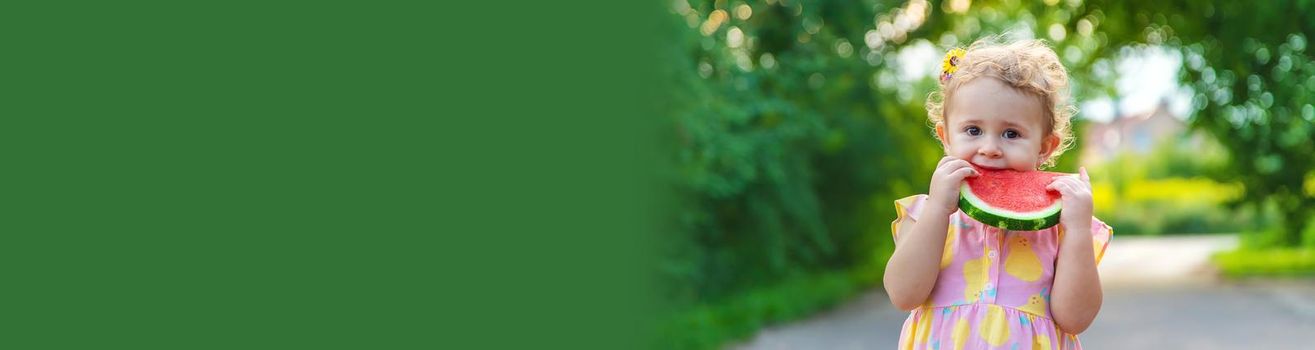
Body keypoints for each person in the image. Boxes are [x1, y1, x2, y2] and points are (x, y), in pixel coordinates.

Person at [882, 37, 1113, 350]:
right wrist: (938, 210)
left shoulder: (1060, 228)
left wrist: (1078, 231)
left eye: (1011, 134)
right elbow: (903, 294)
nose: (989, 149)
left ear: (1045, 148)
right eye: (973, 130)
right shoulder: (923, 214)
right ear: (946, 137)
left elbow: (1075, 318)